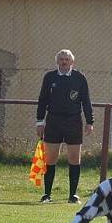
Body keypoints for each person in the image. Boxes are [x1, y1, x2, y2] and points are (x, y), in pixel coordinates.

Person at [36, 49, 94, 204]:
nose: (63, 62)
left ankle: (73, 195)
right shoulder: (49, 77)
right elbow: (42, 100)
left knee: (74, 158)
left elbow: (86, 101)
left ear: (72, 62)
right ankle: (47, 194)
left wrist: (90, 121)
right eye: (61, 59)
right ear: (57, 61)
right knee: (51, 157)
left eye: (66, 59)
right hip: (53, 120)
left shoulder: (80, 78)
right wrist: (40, 122)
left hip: (74, 121)